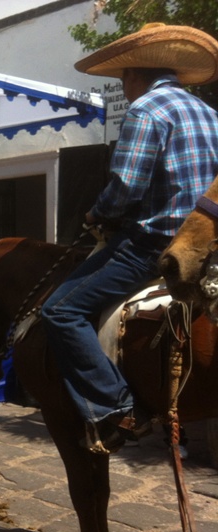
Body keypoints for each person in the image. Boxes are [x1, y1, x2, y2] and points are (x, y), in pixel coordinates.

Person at [40, 23, 218, 454]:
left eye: (123, 79)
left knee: (60, 310)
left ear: (134, 74)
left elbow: (126, 187)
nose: (125, 87)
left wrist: (96, 213)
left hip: (155, 244)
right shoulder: (209, 113)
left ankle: (117, 407)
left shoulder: (145, 111)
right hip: (207, 243)